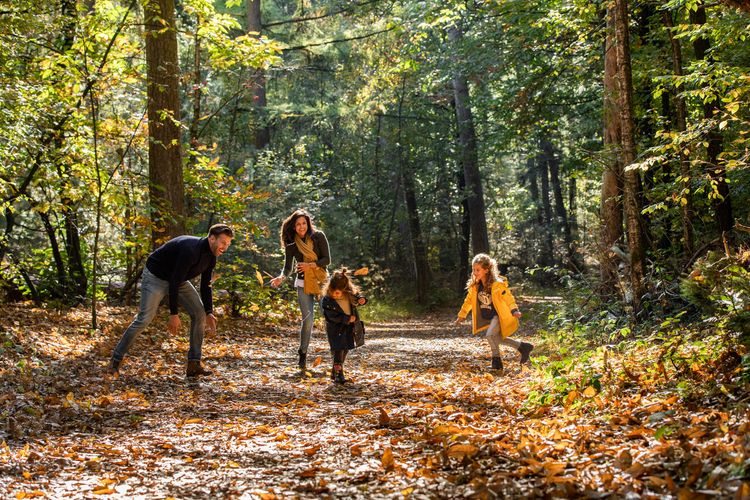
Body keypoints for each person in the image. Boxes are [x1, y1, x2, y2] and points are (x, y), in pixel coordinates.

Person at [107, 224, 234, 378]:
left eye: (228, 244)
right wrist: (174, 314)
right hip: (156, 277)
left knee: (199, 313)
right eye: (223, 242)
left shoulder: (211, 256)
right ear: (212, 238)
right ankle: (115, 360)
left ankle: (194, 364)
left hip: (178, 280)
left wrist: (209, 312)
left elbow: (205, 285)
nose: (225, 247)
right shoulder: (190, 250)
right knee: (144, 319)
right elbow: (173, 281)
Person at [269, 209, 330, 370]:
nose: (302, 226)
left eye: (304, 223)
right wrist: (281, 277)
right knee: (308, 320)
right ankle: (302, 353)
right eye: (298, 224)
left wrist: (310, 265)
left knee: (329, 317)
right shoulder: (292, 246)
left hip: (322, 281)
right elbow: (288, 268)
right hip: (303, 284)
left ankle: (336, 356)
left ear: (308, 224)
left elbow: (327, 260)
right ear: (294, 227)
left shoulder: (319, 237)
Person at [454, 253, 533, 371]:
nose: (475, 272)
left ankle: (496, 362)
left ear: (486, 270)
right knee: (497, 338)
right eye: (473, 270)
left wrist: (514, 309)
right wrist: (462, 315)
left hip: (499, 315)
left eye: (478, 270)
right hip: (490, 316)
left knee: (490, 335)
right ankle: (523, 347)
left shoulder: (497, 284)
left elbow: (508, 297)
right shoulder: (475, 286)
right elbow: (468, 301)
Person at [320, 268, 367, 383]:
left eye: (339, 291)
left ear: (345, 289)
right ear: (330, 288)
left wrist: (362, 300)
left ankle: (335, 371)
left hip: (348, 327)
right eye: (334, 291)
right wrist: (346, 318)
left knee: (345, 349)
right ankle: (338, 374)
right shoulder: (327, 300)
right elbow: (330, 316)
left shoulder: (349, 294)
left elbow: (358, 297)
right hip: (334, 328)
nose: (336, 293)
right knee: (338, 349)